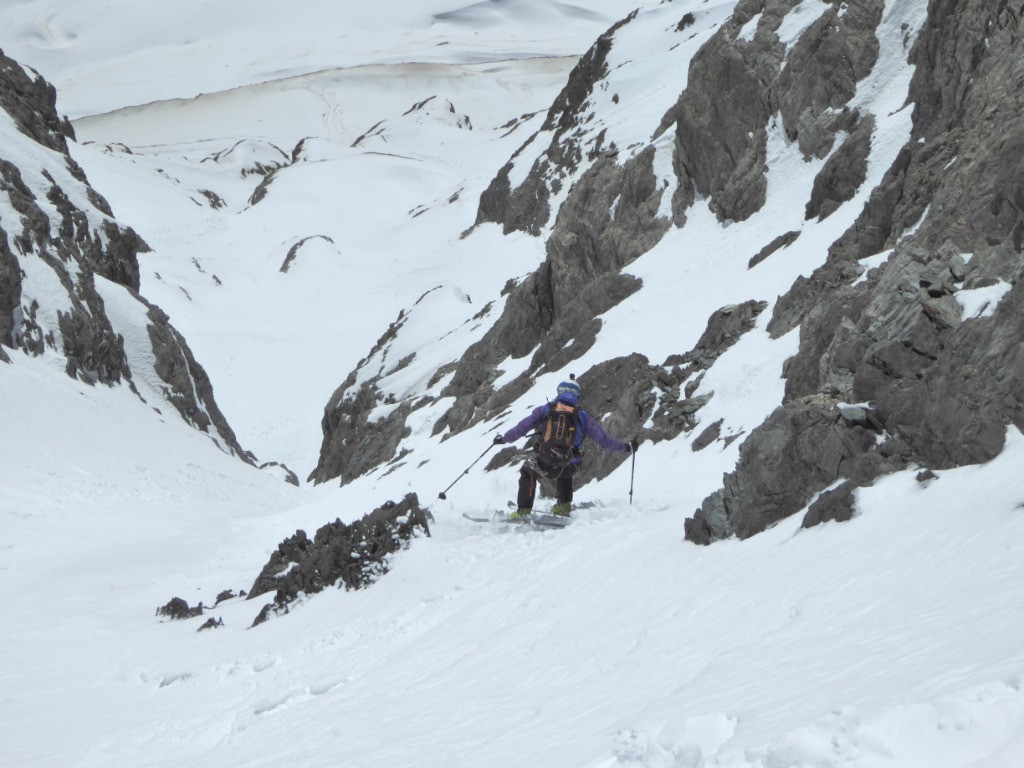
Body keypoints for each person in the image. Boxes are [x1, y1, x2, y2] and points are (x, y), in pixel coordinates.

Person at [493, 379, 637, 518]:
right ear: (577, 395)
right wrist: (626, 447)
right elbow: (604, 441)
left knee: (527, 471)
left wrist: (504, 438)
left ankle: (523, 510)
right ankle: (563, 504)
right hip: (570, 466)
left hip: (547, 464)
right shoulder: (583, 416)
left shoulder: (546, 410)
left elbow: (521, 428)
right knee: (568, 462)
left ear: (559, 392)